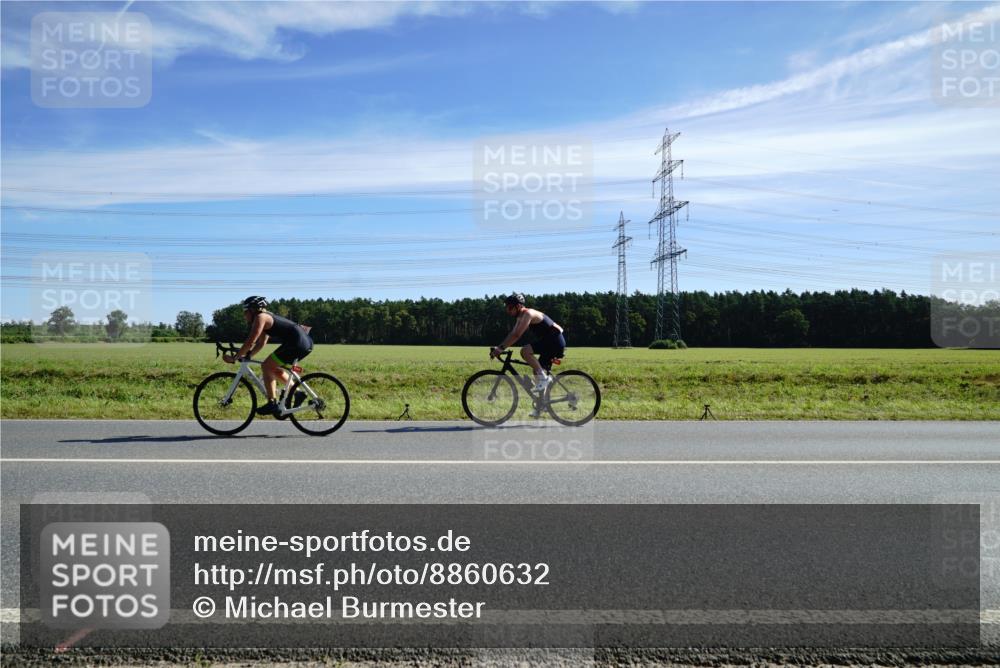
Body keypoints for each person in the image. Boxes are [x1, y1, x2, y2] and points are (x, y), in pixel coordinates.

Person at [222, 296, 313, 416]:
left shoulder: (260, 318)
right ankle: (297, 393)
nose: (244, 315)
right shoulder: (265, 318)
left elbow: (250, 341)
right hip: (302, 342)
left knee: (266, 366)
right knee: (275, 369)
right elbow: (261, 343)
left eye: (245, 312)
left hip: (297, 343)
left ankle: (272, 403)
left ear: (253, 310)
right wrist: (248, 355)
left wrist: (235, 357)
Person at [491, 293, 565, 415]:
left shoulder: (528, 314)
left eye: (510, 307)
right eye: (507, 308)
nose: (508, 310)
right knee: (537, 371)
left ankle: (544, 379)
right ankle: (541, 406)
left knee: (525, 351)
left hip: (555, 341)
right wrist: (500, 347)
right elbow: (512, 333)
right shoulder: (520, 317)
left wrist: (501, 348)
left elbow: (517, 335)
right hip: (549, 341)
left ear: (518, 306)